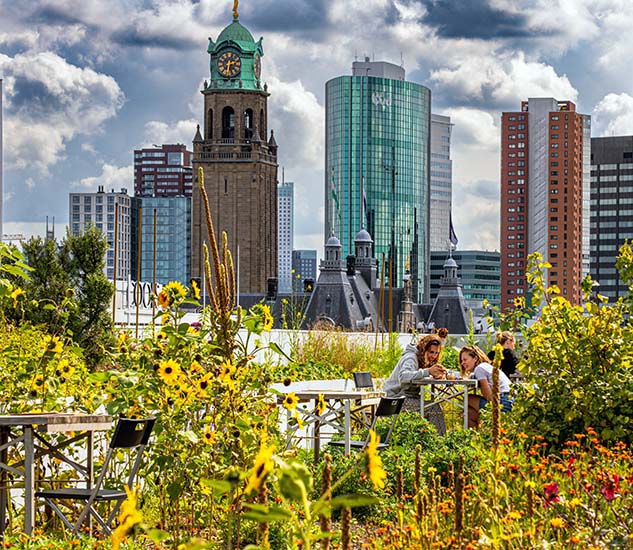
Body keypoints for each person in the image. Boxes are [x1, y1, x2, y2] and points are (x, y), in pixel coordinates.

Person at [384, 334, 446, 418]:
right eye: (431, 352)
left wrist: (435, 374)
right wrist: (427, 371)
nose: (434, 356)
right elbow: (403, 377)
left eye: (436, 353)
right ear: (424, 349)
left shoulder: (422, 360)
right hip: (394, 400)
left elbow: (418, 374)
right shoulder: (411, 358)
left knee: (432, 407)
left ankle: (428, 431)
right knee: (434, 408)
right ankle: (439, 432)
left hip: (408, 398)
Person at [460, 345, 513, 414]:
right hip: (510, 400)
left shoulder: (479, 369)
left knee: (468, 399)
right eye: (461, 360)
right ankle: (472, 423)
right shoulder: (485, 366)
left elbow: (488, 397)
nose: (462, 363)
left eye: (465, 359)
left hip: (503, 403)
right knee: (470, 412)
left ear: (475, 358)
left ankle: (472, 424)